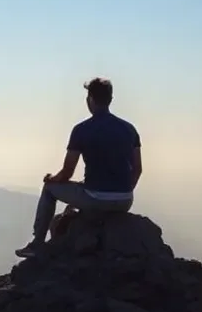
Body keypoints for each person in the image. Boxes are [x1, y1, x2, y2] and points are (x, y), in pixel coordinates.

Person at [14, 77, 142, 258]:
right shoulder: (129, 129)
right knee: (85, 187)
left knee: (49, 189)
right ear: (110, 100)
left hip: (96, 199)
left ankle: (37, 244)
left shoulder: (82, 130)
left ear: (90, 99)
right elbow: (137, 169)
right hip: (125, 201)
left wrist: (52, 179)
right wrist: (122, 191)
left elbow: (67, 172)